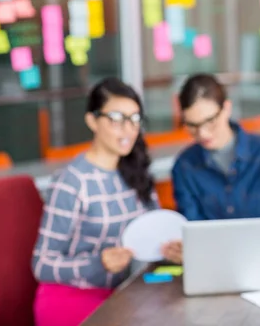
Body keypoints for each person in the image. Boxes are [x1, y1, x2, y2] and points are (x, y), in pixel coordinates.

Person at [31, 78, 180, 326]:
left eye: (134, 119)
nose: (128, 129)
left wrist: (172, 249)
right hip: (74, 297)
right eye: (116, 118)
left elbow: (154, 233)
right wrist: (97, 263)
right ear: (92, 121)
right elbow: (41, 263)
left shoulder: (136, 171)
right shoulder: (71, 182)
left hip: (126, 292)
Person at [171, 73, 260, 265]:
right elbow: (193, 231)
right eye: (192, 125)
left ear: (227, 108)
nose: (202, 133)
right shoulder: (184, 165)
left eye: (210, 121)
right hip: (214, 264)